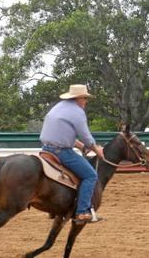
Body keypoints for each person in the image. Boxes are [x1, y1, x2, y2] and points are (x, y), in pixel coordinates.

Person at [39, 84, 105, 223]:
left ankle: (55, 208)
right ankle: (82, 212)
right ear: (79, 98)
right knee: (90, 175)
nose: (86, 101)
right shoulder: (77, 112)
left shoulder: (58, 107)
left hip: (46, 149)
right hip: (62, 151)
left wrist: (80, 146)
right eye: (85, 98)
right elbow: (86, 136)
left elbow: (61, 132)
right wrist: (96, 149)